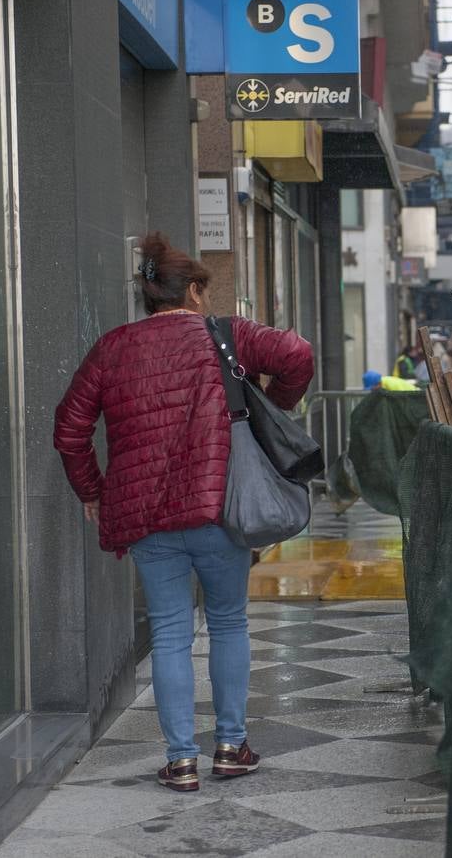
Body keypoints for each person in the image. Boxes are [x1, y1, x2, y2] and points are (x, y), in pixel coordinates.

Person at [53, 233, 313, 793]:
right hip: (220, 508)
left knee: (170, 632)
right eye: (205, 290)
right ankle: (229, 746)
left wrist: (92, 492)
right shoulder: (226, 336)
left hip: (147, 519)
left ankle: (180, 760)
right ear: (193, 292)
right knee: (227, 622)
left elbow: (69, 429)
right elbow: (298, 354)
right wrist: (274, 406)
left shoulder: (112, 348)